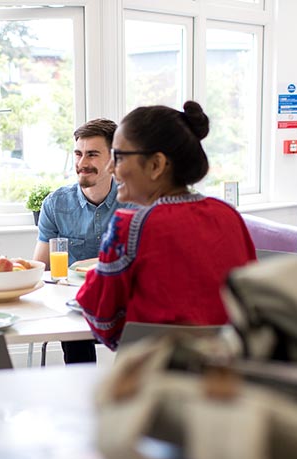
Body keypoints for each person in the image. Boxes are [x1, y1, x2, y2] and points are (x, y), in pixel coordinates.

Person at [76, 102, 257, 350]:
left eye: (117, 157)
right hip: (228, 374)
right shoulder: (228, 215)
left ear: (156, 165)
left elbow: (103, 322)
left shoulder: (129, 227)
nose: (109, 168)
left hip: (158, 375)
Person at [33, 118, 136, 363]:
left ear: (113, 160)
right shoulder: (55, 204)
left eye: (92, 155)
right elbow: (41, 269)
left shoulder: (135, 201)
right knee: (75, 338)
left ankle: (127, 392)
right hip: (75, 307)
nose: (82, 163)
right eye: (78, 154)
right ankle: (81, 395)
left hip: (126, 306)